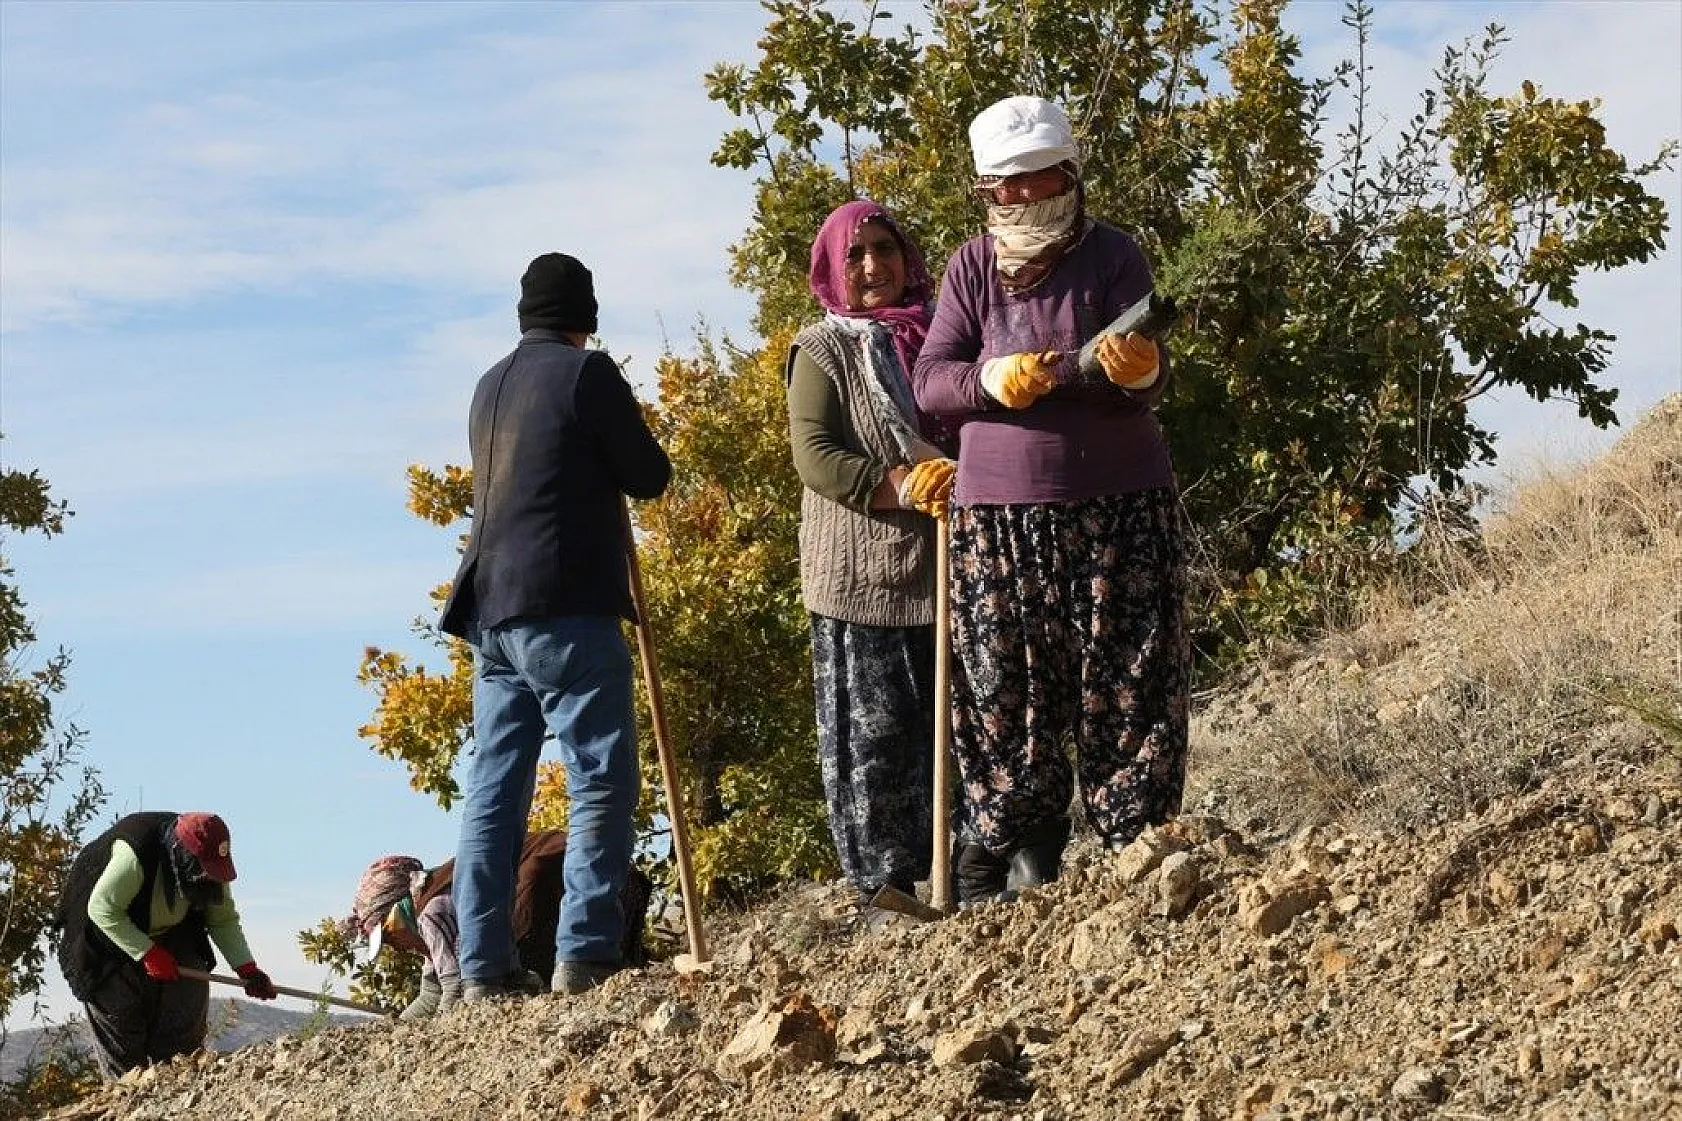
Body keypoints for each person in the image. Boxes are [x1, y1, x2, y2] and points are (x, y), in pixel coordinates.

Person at [912, 95, 1191, 904]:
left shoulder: (1114, 256)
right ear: (987, 191)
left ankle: (1139, 854)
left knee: (1131, 675)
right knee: (1007, 687)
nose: (1029, 197)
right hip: (1000, 515)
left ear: (1071, 175)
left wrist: (1142, 372)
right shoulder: (970, 269)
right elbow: (932, 382)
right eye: (1011, 186)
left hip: (1121, 505)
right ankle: (1016, 853)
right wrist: (990, 381)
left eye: (1043, 180)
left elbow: (1145, 373)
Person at [438, 252, 671, 1000]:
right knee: (601, 775)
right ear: (586, 316)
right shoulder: (587, 374)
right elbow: (650, 474)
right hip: (566, 601)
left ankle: (483, 968)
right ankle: (585, 952)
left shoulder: (487, 386)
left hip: (490, 611)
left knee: (495, 788)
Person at [784, 199, 957, 913]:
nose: (872, 266)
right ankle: (886, 893)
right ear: (832, 268)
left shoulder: (941, 337)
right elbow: (814, 454)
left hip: (944, 558)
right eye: (854, 255)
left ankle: (962, 870)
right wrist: (899, 486)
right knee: (875, 738)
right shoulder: (821, 348)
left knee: (956, 725)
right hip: (859, 573)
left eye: (884, 249)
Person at [54, 812, 278, 1078]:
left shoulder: (211, 867)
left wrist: (247, 969)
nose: (208, 877)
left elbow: (223, 919)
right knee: (123, 1022)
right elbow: (103, 909)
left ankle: (178, 1083)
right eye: (202, 870)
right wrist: (147, 952)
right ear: (181, 854)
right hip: (103, 937)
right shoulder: (135, 854)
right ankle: (127, 1098)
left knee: (187, 1001)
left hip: (169, 930)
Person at [344, 830, 654, 1019]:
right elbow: (431, 993)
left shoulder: (433, 913)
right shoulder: (433, 909)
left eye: (386, 937)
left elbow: (453, 991)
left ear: (397, 914)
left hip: (589, 882)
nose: (395, 948)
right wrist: (400, 1028)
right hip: (609, 876)